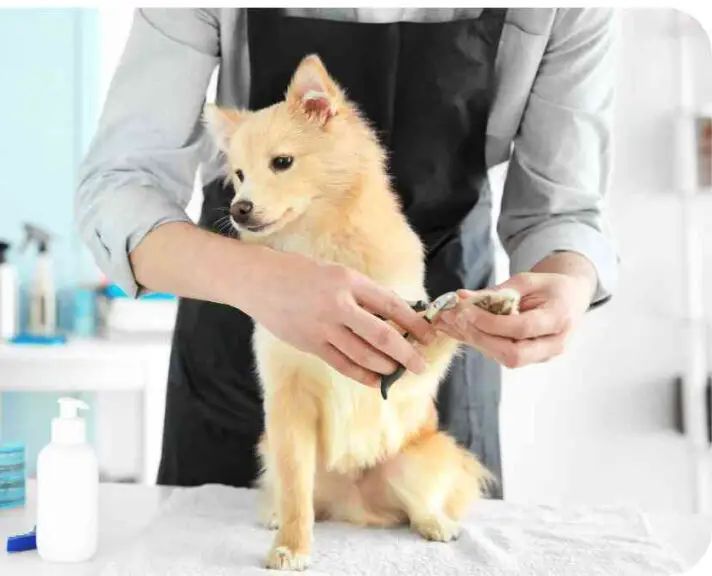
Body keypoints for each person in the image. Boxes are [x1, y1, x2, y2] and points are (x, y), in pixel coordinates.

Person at [75, 8, 619, 499]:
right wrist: (262, 278)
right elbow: (121, 189)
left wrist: (566, 282)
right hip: (240, 338)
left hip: (435, 336)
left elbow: (563, 214)